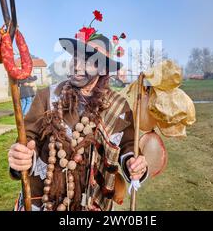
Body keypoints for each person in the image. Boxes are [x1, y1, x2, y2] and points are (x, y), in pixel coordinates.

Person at [8, 16, 148, 211]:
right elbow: (28, 139)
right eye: (77, 57)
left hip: (92, 204)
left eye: (90, 61)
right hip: (43, 201)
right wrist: (21, 157)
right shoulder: (46, 96)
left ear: (103, 69)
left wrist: (134, 163)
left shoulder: (118, 107)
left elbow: (128, 147)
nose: (78, 65)